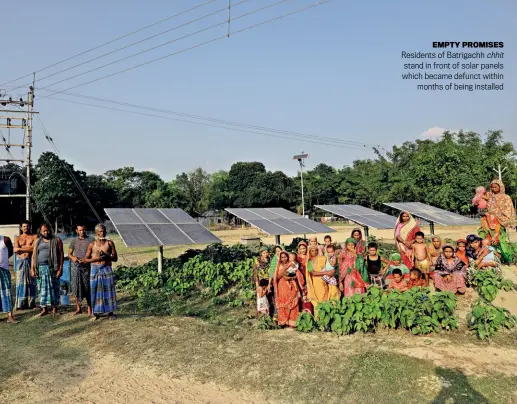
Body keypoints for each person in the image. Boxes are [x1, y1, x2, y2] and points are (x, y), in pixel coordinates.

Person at [83, 224, 118, 321]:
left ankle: (110, 312)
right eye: (101, 231)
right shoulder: (92, 244)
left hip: (106, 269)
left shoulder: (110, 243)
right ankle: (96, 313)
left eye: (104, 231)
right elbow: (85, 260)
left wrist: (107, 256)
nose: (103, 233)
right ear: (96, 233)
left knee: (108, 291)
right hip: (95, 269)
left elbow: (115, 258)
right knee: (95, 291)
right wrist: (96, 258)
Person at [31, 224, 64, 317]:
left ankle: (54, 308)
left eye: (48, 230)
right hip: (40, 268)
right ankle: (44, 309)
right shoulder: (37, 241)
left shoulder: (56, 240)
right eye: (44, 231)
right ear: (41, 231)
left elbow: (61, 254)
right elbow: (33, 255)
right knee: (42, 289)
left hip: (53, 268)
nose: (46, 232)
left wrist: (60, 268)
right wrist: (32, 269)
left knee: (54, 288)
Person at [480, 179, 516, 263]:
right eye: (492, 187)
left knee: (500, 240)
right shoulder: (490, 197)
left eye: (496, 187)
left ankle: (507, 258)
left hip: (500, 222)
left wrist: (497, 214)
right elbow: (487, 208)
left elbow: (508, 209)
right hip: (489, 222)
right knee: (489, 239)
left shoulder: (506, 197)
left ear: (501, 187)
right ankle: (493, 258)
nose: (493, 189)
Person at [273, 251, 305, 328]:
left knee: (293, 302)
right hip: (282, 286)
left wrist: (292, 277)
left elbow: (298, 274)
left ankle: (292, 322)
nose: (284, 258)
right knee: (283, 302)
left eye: (285, 257)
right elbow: (277, 277)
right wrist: (286, 268)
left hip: (292, 285)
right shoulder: (279, 265)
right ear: (280, 258)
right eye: (282, 257)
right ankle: (284, 322)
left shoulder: (292, 264)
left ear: (288, 257)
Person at [306, 245, 340, 315]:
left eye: (316, 250)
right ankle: (319, 319)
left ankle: (327, 319)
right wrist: (326, 272)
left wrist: (332, 271)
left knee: (326, 299)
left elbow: (331, 266)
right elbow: (313, 273)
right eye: (312, 251)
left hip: (325, 281)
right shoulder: (309, 262)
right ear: (309, 252)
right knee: (318, 301)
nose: (314, 252)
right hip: (316, 283)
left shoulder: (322, 258)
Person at [69, 224, 93, 316]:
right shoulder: (74, 241)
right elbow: (70, 253)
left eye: (83, 230)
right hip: (76, 266)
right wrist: (73, 258)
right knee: (76, 286)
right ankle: (78, 308)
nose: (82, 232)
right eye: (80, 230)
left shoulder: (91, 240)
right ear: (76, 231)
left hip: (87, 266)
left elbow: (94, 252)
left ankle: (89, 308)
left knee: (87, 287)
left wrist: (87, 260)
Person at [14, 220, 37, 310]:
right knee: (20, 282)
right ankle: (21, 304)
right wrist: (28, 249)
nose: (25, 228)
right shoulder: (18, 238)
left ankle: (31, 303)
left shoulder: (34, 236)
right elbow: (15, 250)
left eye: (27, 226)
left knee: (31, 282)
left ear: (30, 227)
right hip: (20, 262)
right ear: (21, 228)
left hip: (30, 261)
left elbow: (34, 249)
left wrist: (21, 249)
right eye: (24, 226)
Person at [0, 234, 17, 323]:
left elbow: (10, 252)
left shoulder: (5, 239)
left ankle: (10, 316)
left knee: (7, 292)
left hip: (4, 269)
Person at [253, 248, 273, 318]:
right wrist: (257, 284)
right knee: (261, 298)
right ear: (261, 253)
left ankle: (269, 314)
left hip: (269, 280)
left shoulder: (270, 260)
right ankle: (261, 315)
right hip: (261, 281)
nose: (266, 254)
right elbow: (256, 273)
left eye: (267, 252)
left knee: (269, 296)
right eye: (264, 253)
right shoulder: (257, 261)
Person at [297, 241, 313, 314]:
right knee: (302, 296)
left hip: (309, 278)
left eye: (304, 248)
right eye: (301, 249)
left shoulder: (309, 257)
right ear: (298, 249)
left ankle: (310, 314)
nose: (303, 250)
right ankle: (303, 314)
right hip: (300, 281)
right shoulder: (297, 258)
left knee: (309, 296)